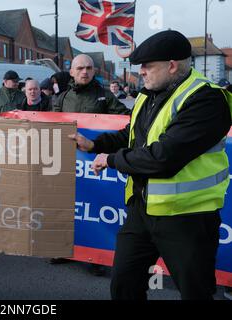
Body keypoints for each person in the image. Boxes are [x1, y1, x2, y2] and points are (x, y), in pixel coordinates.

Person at [70, 30, 232, 300]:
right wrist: (94, 144)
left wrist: (110, 160)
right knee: (124, 284)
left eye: (147, 66)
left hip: (187, 217)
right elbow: (132, 134)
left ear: (171, 65)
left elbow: (164, 157)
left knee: (196, 292)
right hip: (142, 209)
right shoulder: (148, 93)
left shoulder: (207, 99)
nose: (141, 72)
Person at [53, 54, 130, 115]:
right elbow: (52, 123)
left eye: (89, 68)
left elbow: (126, 118)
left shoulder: (105, 96)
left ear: (93, 71)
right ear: (71, 72)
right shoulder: (63, 98)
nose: (85, 72)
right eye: (80, 68)